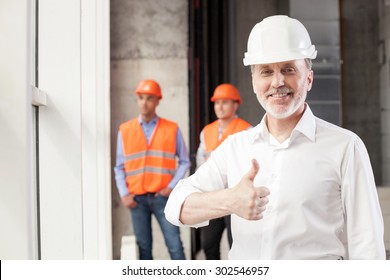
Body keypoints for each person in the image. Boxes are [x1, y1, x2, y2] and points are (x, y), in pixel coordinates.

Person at [165, 15, 386, 259]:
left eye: (288, 69)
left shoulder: (345, 147)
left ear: (309, 79)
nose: (277, 82)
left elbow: (367, 245)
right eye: (266, 71)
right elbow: (176, 205)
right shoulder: (235, 148)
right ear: (254, 82)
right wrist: (229, 200)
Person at [114, 79, 190, 260]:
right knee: (144, 251)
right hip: (137, 200)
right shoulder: (125, 130)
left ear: (157, 101)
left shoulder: (171, 129)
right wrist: (124, 194)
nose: (144, 102)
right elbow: (119, 166)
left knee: (175, 247)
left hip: (163, 198)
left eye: (149, 98)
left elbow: (185, 161)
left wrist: (171, 187)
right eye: (140, 98)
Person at [196, 83, 251, 259]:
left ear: (235, 105)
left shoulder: (247, 131)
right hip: (213, 197)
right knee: (209, 245)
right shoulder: (207, 131)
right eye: (216, 102)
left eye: (224, 102)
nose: (219, 107)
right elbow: (200, 163)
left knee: (237, 245)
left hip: (236, 196)